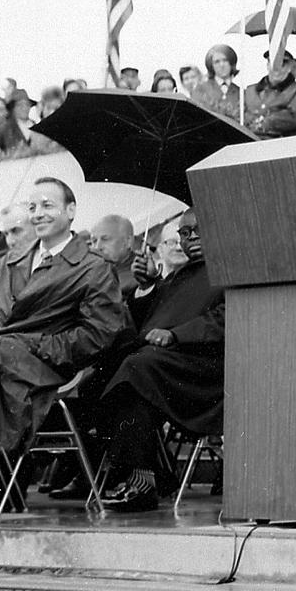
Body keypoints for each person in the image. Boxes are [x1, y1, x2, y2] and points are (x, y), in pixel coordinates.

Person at [0, 177, 127, 516]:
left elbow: (99, 335)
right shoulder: (11, 262)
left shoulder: (93, 267)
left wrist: (35, 343)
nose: (38, 213)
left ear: (71, 211)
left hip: (46, 364)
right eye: (32, 207)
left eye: (48, 205)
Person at [99, 209, 225, 513]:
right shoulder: (181, 273)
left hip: (206, 370)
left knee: (137, 368)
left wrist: (176, 335)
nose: (190, 237)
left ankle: (144, 479)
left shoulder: (227, 269)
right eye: (184, 232)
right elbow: (148, 324)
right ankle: (148, 474)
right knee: (105, 373)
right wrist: (148, 285)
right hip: (165, 363)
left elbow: (225, 319)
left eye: (197, 229)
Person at [244, 49, 296, 138]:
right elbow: (239, 114)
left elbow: (294, 118)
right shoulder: (249, 91)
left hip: (280, 144)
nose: (277, 69)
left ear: (289, 68)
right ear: (267, 65)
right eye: (273, 64)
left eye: (282, 64)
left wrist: (265, 121)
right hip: (246, 142)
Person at [192, 44, 244, 122]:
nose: (222, 65)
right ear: (211, 66)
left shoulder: (241, 93)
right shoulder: (200, 89)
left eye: (225, 60)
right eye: (217, 62)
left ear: (231, 63)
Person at [90, 215, 138, 298]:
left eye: (105, 239)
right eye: (94, 241)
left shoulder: (140, 274)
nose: (97, 247)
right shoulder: (94, 275)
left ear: (128, 241)